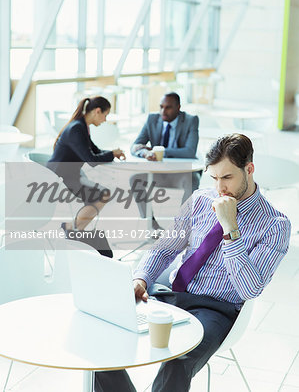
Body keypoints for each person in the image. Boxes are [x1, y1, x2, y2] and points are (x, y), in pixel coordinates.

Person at [94, 133, 291, 391]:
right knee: (102, 336)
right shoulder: (200, 200)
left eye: (227, 177)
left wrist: (230, 228)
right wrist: (140, 279)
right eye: (214, 177)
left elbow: (249, 289)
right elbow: (164, 248)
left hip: (216, 309)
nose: (220, 188)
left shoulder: (275, 225)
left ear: (249, 169)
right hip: (170, 294)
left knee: (178, 362)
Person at [47, 96, 125, 257]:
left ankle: (75, 230)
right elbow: (91, 160)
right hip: (62, 178)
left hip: (70, 175)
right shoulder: (77, 128)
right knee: (103, 194)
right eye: (105, 115)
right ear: (97, 111)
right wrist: (111, 154)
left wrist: (113, 153)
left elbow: (94, 151)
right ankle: (72, 229)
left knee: (101, 193)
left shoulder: (81, 126)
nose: (105, 120)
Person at [130, 92, 201, 231]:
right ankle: (152, 224)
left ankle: (181, 227)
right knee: (135, 179)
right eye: (161, 107)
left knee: (194, 179)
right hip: (158, 174)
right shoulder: (152, 119)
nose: (163, 111)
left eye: (168, 107)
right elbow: (135, 146)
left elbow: (189, 151)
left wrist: (160, 151)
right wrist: (145, 153)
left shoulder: (191, 120)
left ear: (178, 107)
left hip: (181, 174)